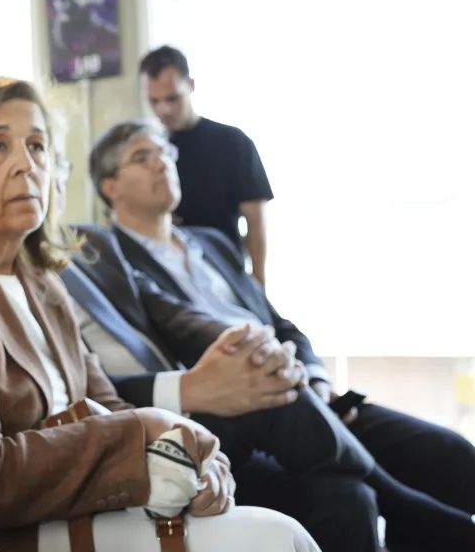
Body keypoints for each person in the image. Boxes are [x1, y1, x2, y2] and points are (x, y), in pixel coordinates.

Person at [0, 76, 318, 552]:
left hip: (80, 512)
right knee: (276, 536)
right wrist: (142, 434)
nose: (27, 165)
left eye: (37, 146)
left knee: (285, 523)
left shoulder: (40, 277)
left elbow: (108, 403)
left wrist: (184, 451)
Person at [87, 119, 475, 551]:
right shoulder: (113, 262)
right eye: (143, 157)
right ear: (110, 186)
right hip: (250, 404)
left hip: (305, 387)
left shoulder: (212, 243)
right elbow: (187, 333)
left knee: (451, 453)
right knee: (351, 499)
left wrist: (316, 374)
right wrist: (264, 356)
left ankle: (418, 518)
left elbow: (280, 322)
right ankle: (412, 512)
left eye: (165, 152)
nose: (162, 163)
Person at [140, 46, 272, 286]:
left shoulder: (233, 143)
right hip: (171, 278)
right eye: (154, 101)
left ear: (190, 85)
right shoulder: (147, 153)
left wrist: (258, 285)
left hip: (226, 273)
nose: (163, 110)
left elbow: (256, 220)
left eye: (172, 98)